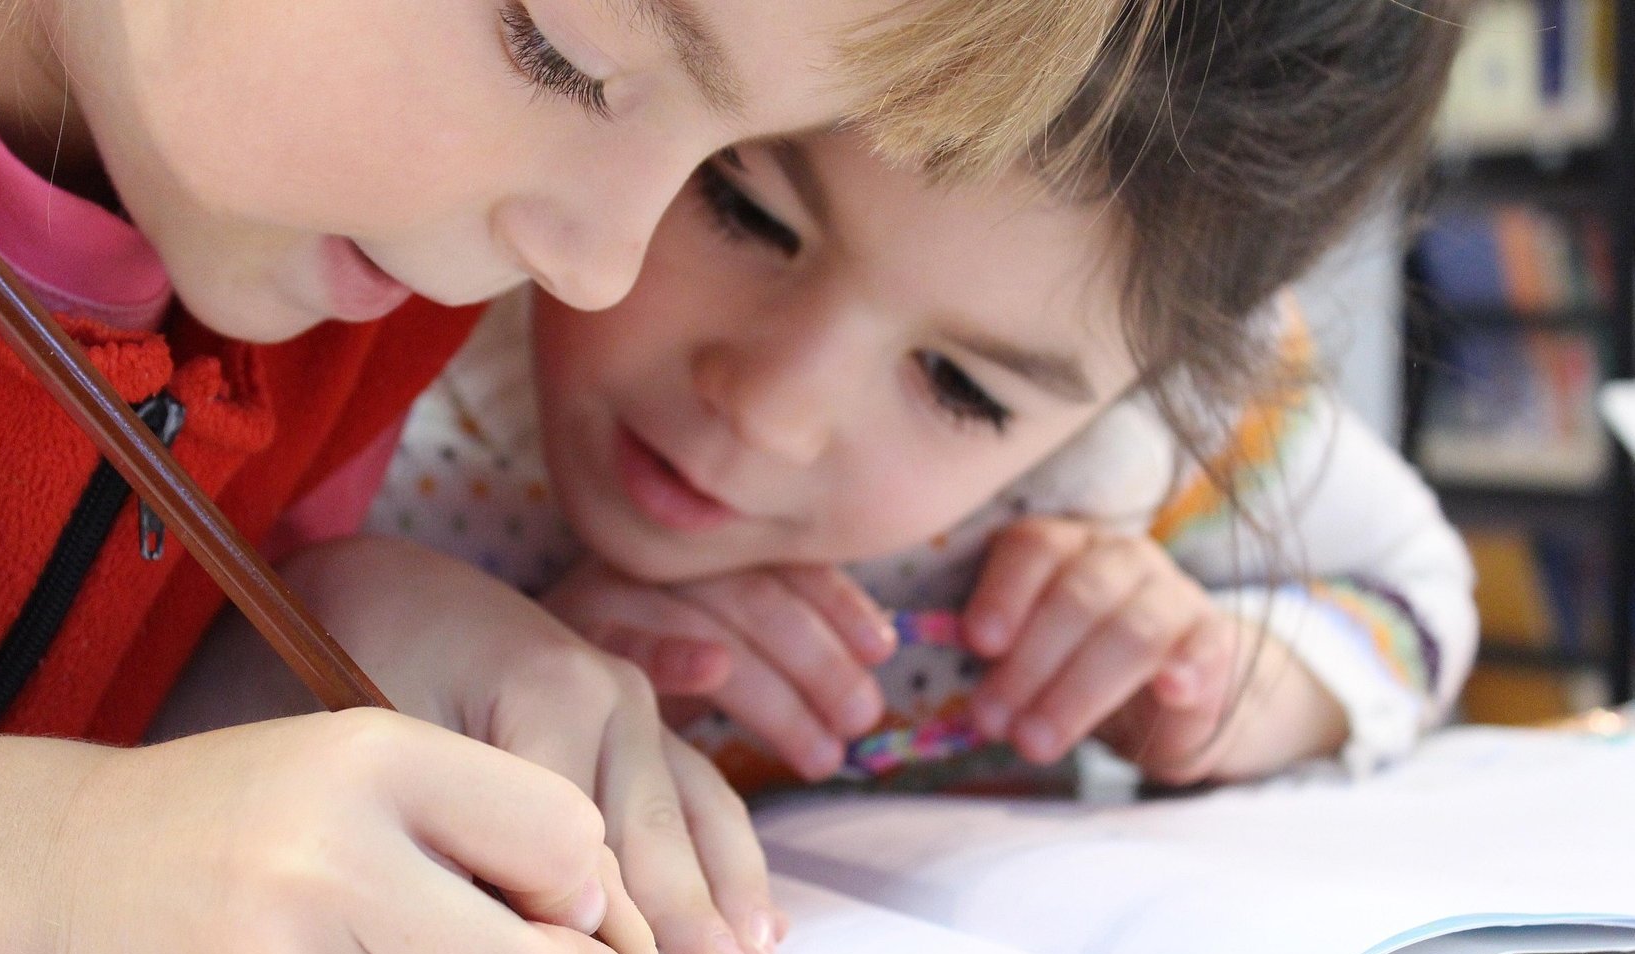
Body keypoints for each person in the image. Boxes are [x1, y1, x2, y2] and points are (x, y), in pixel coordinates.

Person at [0, 0, 1146, 954]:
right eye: (561, 52)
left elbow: (49, 688)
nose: (596, 265)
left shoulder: (350, 279)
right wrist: (53, 884)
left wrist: (310, 642)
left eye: (715, 153)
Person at [330, 0, 1477, 798]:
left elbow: (1417, 593)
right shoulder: (389, 308)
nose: (771, 412)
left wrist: (1236, 679)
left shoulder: (1143, 449)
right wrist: (428, 661)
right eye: (747, 214)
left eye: (961, 389)